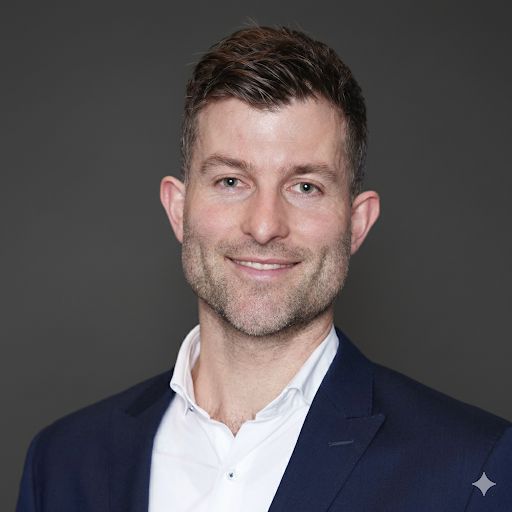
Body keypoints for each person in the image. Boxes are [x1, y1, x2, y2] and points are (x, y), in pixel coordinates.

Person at [16, 25, 511, 512]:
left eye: (305, 187)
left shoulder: (472, 467)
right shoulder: (61, 463)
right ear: (178, 210)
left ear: (357, 224)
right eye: (231, 181)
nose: (265, 225)